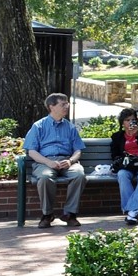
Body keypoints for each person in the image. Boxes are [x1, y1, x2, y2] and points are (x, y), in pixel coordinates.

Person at [23, 93, 86, 228]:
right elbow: (32, 151)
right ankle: (47, 214)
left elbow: (78, 150)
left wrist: (70, 161)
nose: (67, 106)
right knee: (45, 177)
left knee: (79, 175)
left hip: (66, 161)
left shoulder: (70, 127)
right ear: (52, 107)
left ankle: (70, 214)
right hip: (45, 162)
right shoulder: (38, 126)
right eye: (63, 104)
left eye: (67, 103)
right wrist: (48, 162)